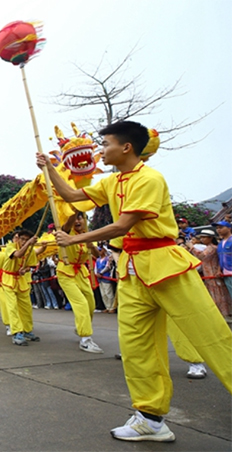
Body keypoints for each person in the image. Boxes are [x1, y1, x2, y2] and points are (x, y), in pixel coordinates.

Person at [37, 120, 232, 442]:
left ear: (126, 147)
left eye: (107, 144)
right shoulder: (112, 182)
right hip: (132, 271)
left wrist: (75, 240)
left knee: (211, 334)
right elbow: (72, 194)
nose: (102, 150)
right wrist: (50, 170)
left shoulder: (150, 179)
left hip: (166, 266)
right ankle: (150, 419)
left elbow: (123, 225)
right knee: (136, 347)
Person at [58, 211, 103, 354]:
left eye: (81, 218)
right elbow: (68, 224)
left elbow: (98, 255)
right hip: (66, 272)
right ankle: (85, 339)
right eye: (76, 218)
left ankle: (80, 328)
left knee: (90, 303)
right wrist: (75, 208)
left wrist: (92, 246)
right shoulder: (65, 232)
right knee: (81, 304)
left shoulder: (87, 234)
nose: (78, 221)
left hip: (81, 273)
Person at [0, 230, 43, 346]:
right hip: (8, 280)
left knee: (26, 307)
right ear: (17, 238)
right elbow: (18, 254)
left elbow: (30, 266)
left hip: (21, 281)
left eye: (26, 239)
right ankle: (17, 332)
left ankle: (27, 330)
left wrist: (25, 270)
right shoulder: (10, 246)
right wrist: (29, 243)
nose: (24, 242)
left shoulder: (30, 250)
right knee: (12, 306)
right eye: (22, 239)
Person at [186, 229, 231, 317]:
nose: (202, 239)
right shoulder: (208, 247)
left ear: (210, 238)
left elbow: (201, 256)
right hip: (208, 273)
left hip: (213, 273)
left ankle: (224, 312)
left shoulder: (212, 247)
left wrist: (191, 247)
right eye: (201, 237)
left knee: (219, 293)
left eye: (204, 237)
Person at [214, 220, 232, 311]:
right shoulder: (220, 243)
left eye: (221, 228)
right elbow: (219, 258)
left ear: (229, 228)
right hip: (225, 272)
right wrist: (218, 270)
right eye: (217, 228)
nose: (218, 230)